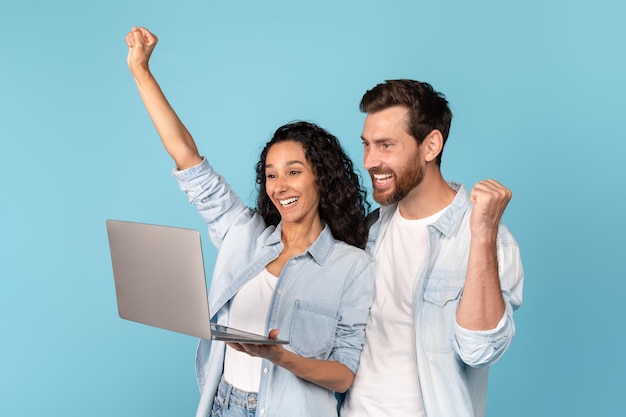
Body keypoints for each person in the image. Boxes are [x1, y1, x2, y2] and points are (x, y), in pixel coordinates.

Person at [125, 26, 374, 417]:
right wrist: (141, 71)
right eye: (271, 174)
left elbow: (345, 373)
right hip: (223, 404)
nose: (280, 186)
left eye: (294, 171)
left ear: (321, 177)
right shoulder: (245, 234)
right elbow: (190, 162)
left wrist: (282, 357)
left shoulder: (352, 266)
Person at [340, 80, 524, 417]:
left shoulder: (489, 239)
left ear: (431, 146)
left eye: (385, 145)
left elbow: (479, 350)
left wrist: (482, 235)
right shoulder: (370, 230)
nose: (369, 161)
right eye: (367, 145)